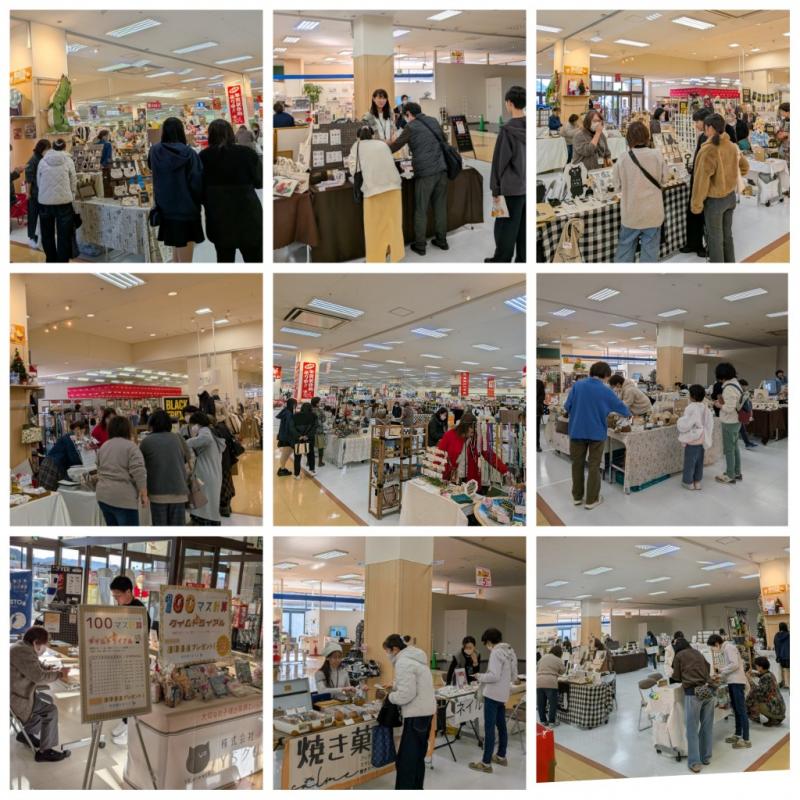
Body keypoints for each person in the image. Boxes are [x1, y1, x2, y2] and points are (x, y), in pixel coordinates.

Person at [564, 361, 631, 510]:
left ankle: (577, 497)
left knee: (577, 464)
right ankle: (591, 500)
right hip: (596, 433)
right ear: (606, 375)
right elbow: (623, 409)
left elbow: (567, 406)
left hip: (577, 430)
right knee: (594, 466)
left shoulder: (577, 385)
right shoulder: (606, 391)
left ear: (591, 372)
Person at [389, 102, 448, 256]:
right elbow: (444, 139)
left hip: (425, 173)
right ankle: (442, 240)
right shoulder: (433, 121)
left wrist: (379, 146)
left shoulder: (411, 127)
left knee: (421, 209)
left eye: (405, 116)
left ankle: (420, 245)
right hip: (442, 169)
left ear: (408, 114)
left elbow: (395, 146)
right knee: (440, 207)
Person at [200, 118, 263, 262]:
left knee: (224, 261)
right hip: (248, 216)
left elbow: (199, 189)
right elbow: (259, 182)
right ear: (231, 133)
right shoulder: (248, 153)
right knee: (255, 261)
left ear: (210, 135)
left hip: (219, 219)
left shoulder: (203, 157)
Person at [690, 113, 750, 263]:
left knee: (715, 238)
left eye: (705, 127)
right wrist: (730, 177)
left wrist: (696, 205)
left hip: (714, 201)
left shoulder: (708, 150)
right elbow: (744, 167)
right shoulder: (731, 146)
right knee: (727, 235)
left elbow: (701, 181)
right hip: (730, 198)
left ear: (710, 128)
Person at [379, 634, 435, 790]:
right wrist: (395, 685)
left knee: (406, 761)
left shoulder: (403, 662)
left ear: (395, 649)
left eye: (387, 651)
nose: (387, 654)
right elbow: (414, 683)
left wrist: (389, 697)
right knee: (417, 758)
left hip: (416, 715)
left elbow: (406, 694)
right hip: (426, 713)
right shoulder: (415, 658)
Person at [11, 626, 72, 762]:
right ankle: (45, 751)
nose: (45, 648)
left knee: (46, 700)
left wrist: (50, 668)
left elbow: (35, 665)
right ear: (36, 643)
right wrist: (60, 674)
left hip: (17, 693)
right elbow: (38, 676)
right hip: (16, 699)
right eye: (45, 645)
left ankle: (26, 734)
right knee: (50, 710)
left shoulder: (22, 647)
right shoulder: (23, 652)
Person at [148, 117, 204, 263]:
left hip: (165, 207)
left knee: (176, 246)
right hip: (187, 208)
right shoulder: (189, 153)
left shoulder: (154, 151)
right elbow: (196, 182)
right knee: (186, 252)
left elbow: (151, 169)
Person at [613, 121, 669, 262]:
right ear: (647, 136)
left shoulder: (623, 158)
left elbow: (616, 186)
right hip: (653, 213)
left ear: (628, 138)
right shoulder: (657, 155)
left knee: (625, 251)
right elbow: (664, 179)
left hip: (631, 213)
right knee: (650, 254)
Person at [349, 126, 404, 262]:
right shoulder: (382, 144)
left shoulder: (357, 146)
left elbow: (353, 169)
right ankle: (394, 253)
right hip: (393, 187)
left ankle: (375, 258)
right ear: (373, 135)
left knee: (374, 228)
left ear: (358, 137)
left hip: (373, 190)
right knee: (393, 224)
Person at [486, 85, 526, 263]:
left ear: (509, 103)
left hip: (509, 188)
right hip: (526, 186)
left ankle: (501, 260)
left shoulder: (507, 130)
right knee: (523, 228)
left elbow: (499, 162)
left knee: (504, 227)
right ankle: (522, 260)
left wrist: (495, 189)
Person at [470, 627, 518, 773]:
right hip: (502, 695)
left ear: (489, 641)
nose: (487, 646)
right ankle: (501, 756)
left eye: (486, 643)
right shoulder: (509, 651)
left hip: (492, 695)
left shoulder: (496, 652)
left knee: (489, 729)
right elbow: (514, 676)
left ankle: (485, 763)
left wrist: (479, 676)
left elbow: (494, 676)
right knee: (502, 727)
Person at [109, 576, 151, 743]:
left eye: (118, 596)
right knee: (123, 692)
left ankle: (130, 731)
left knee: (132, 694)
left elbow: (139, 638)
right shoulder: (122, 607)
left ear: (128, 592)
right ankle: (125, 721)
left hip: (134, 658)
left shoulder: (139, 610)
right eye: (114, 596)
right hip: (122, 656)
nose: (116, 599)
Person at [139, 409, 192, 526]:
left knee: (161, 530)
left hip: (157, 493)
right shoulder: (178, 438)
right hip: (179, 491)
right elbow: (189, 460)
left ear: (152, 424)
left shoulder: (146, 442)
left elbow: (140, 466)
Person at [671, 637, 715, 773]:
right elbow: (708, 667)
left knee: (692, 729)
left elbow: (676, 677)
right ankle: (706, 757)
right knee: (707, 726)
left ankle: (695, 762)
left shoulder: (679, 655)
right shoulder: (697, 652)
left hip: (693, 693)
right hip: (708, 691)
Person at [95, 415, 148, 526]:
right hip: (123, 498)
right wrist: (143, 493)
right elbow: (139, 471)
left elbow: (98, 467)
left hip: (103, 496)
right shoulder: (131, 447)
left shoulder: (104, 446)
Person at [436, 412, 509, 488]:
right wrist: (433, 470)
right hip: (451, 479)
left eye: (475, 427)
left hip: (471, 482)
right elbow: (439, 454)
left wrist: (505, 471)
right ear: (464, 427)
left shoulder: (476, 439)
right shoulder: (449, 435)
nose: (474, 430)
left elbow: (490, 455)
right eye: (471, 427)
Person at [36, 139, 77, 263]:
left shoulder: (42, 161)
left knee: (47, 234)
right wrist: (72, 195)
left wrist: (44, 194)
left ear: (52, 148)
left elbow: (39, 181)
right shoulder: (69, 161)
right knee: (64, 235)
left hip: (45, 203)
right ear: (65, 148)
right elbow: (73, 180)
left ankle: (50, 260)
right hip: (64, 203)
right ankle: (62, 262)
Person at [707, 633, 750, 749]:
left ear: (717, 643)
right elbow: (731, 667)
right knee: (736, 709)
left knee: (741, 710)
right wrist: (720, 675)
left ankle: (746, 739)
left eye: (712, 647)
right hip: (732, 681)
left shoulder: (729, 648)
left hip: (737, 682)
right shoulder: (726, 649)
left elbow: (734, 665)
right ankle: (738, 734)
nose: (713, 650)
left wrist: (721, 671)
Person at [681, 108, 712, 257]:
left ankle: (701, 246)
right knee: (693, 213)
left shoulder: (709, 139)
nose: (695, 125)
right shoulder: (702, 137)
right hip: (696, 179)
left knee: (701, 215)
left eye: (697, 122)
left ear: (705, 121)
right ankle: (693, 243)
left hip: (703, 183)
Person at [185, 412, 225, 525]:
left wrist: (186, 442)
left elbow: (206, 439)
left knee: (203, 503)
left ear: (197, 424)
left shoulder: (205, 431)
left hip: (206, 475)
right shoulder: (212, 431)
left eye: (192, 424)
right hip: (213, 474)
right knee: (209, 504)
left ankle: (203, 524)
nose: (191, 427)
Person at [676, 383, 714, 490]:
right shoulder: (705, 408)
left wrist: (679, 421)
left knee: (690, 461)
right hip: (702, 439)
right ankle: (697, 481)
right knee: (699, 462)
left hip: (692, 439)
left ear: (692, 396)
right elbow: (710, 424)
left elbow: (686, 424)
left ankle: (688, 482)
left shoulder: (690, 408)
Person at [712, 362, 744, 484]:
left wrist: (718, 405)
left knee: (729, 450)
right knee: (735, 448)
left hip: (729, 422)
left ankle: (730, 475)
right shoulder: (736, 384)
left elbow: (729, 408)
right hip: (736, 420)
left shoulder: (728, 388)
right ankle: (737, 472)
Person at [37, 421, 84, 490]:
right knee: (47, 493)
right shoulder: (70, 438)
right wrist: (84, 462)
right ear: (77, 429)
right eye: (82, 432)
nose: (82, 435)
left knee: (50, 492)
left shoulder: (70, 438)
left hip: (54, 465)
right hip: (52, 466)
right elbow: (73, 458)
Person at [24, 138, 51, 248]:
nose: (48, 151)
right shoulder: (33, 159)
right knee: (33, 217)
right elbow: (29, 179)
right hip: (34, 193)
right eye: (47, 148)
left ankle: (39, 237)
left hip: (41, 193)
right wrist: (28, 193)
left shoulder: (41, 158)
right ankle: (32, 238)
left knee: (41, 216)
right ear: (41, 148)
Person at [747, 656, 785, 726]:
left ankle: (774, 718)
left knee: (754, 700)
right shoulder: (770, 674)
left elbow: (757, 691)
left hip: (776, 709)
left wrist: (749, 679)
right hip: (779, 707)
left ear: (761, 667)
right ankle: (775, 718)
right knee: (754, 697)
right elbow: (762, 676)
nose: (756, 668)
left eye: (757, 666)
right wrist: (754, 674)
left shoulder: (766, 677)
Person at [537, 644, 566, 728]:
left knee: (541, 703)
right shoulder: (558, 659)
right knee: (552, 703)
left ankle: (543, 721)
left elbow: (537, 668)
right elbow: (563, 671)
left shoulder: (543, 657)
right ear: (559, 653)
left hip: (539, 681)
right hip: (551, 682)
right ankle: (551, 722)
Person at [289, 402, 317, 479]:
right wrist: (307, 436)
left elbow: (291, 427)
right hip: (309, 439)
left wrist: (299, 436)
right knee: (311, 455)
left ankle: (297, 474)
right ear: (310, 408)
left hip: (299, 440)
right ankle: (312, 470)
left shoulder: (295, 416)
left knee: (297, 457)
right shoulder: (314, 416)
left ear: (302, 408)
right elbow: (315, 427)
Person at [276, 399, 297, 477]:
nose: (296, 406)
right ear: (293, 405)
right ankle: (282, 469)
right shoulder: (289, 414)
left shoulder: (285, 411)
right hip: (287, 437)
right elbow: (290, 427)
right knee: (286, 453)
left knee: (286, 453)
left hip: (284, 435)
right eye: (295, 404)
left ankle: (282, 468)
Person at [737, 379, 757, 449]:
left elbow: (748, 404)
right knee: (741, 430)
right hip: (739, 413)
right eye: (745, 386)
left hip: (741, 413)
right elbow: (743, 405)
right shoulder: (740, 393)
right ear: (741, 385)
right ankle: (747, 443)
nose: (746, 388)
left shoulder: (744, 393)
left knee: (742, 429)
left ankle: (747, 443)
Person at [310, 396, 327, 467]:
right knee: (321, 447)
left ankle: (308, 461)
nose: (320, 403)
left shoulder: (309, 409)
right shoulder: (320, 410)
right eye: (319, 402)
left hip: (310, 431)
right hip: (319, 431)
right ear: (316, 403)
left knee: (310, 447)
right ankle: (320, 462)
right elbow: (324, 419)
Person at [774, 622, 789, 689]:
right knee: (788, 670)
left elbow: (776, 646)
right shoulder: (789, 635)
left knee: (781, 669)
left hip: (780, 656)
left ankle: (781, 682)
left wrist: (777, 656)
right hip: (788, 655)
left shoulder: (776, 636)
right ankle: (788, 684)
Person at [776, 102, 789, 169]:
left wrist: (787, 134)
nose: (780, 113)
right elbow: (780, 130)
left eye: (781, 111)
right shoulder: (783, 121)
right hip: (784, 146)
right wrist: (779, 133)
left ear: (786, 111)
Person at [536, 379, 546, 452]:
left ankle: (537, 445)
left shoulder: (539, 382)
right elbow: (542, 396)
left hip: (537, 410)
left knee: (536, 429)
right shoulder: (539, 382)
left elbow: (542, 396)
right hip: (537, 409)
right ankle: (536, 445)